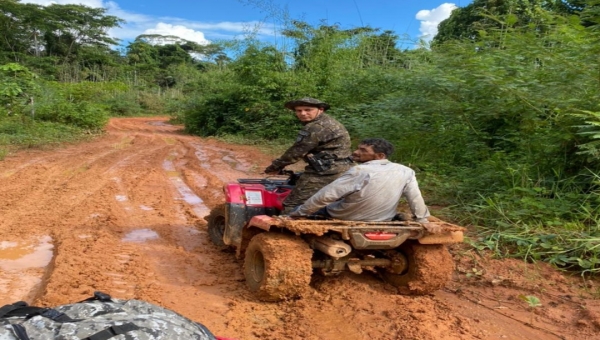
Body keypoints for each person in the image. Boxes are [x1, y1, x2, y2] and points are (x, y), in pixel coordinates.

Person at [289, 138, 440, 232]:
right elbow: (415, 198)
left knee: (298, 210)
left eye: (363, 150)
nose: (356, 152)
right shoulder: (406, 171)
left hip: (346, 217)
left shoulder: (360, 170)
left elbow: (326, 196)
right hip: (383, 219)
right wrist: (422, 220)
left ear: (380, 156)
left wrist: (299, 213)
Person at [264, 97, 352, 214]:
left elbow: (296, 152)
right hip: (344, 168)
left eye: (308, 110)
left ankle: (283, 230)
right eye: (299, 111)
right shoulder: (329, 122)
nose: (303, 113)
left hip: (326, 172)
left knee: (292, 203)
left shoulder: (315, 127)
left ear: (320, 110)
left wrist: (274, 167)